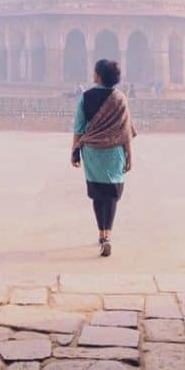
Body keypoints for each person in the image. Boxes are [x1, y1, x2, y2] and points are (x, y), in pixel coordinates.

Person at [71, 59, 136, 256]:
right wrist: (129, 155)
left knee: (98, 194)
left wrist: (74, 150)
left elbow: (79, 127)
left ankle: (102, 234)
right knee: (111, 195)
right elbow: (125, 130)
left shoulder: (86, 97)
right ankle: (108, 234)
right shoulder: (120, 99)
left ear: (98, 75)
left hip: (92, 152)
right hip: (115, 151)